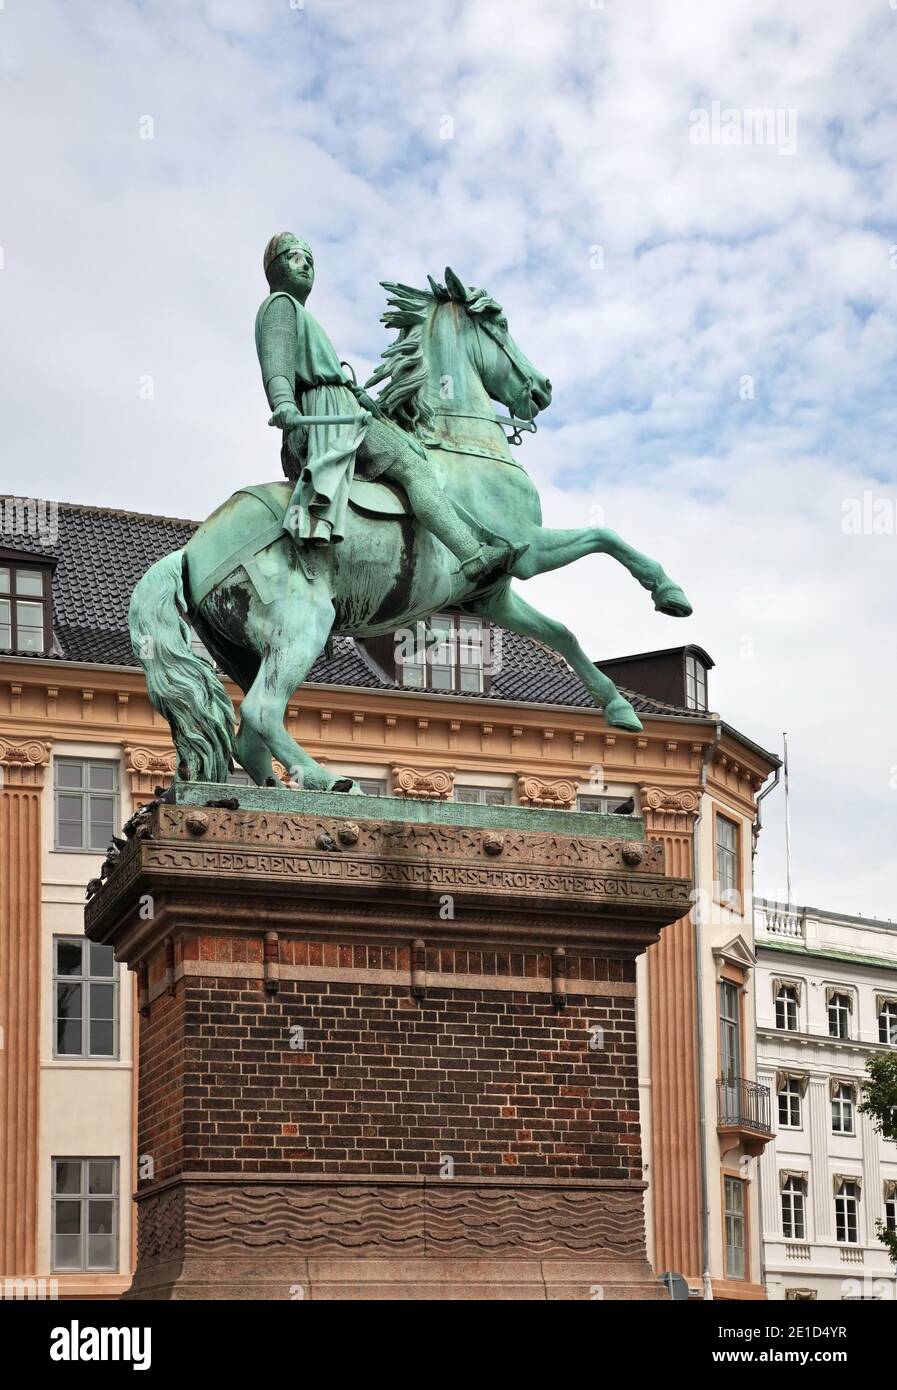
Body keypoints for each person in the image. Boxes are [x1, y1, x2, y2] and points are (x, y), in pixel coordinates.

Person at [256, 232, 519, 580]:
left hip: (344, 405)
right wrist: (284, 402)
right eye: (294, 258)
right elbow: (277, 361)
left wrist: (363, 398)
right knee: (414, 465)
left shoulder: (302, 314)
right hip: (331, 414)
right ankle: (471, 555)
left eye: (310, 261)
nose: (305, 265)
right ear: (274, 268)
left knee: (411, 451)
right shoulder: (281, 306)